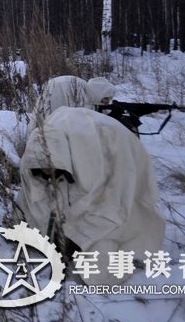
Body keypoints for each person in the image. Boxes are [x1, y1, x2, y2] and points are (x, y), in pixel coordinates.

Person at [19, 106, 165, 285]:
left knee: (99, 267)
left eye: (50, 169)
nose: (46, 174)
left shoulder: (92, 164)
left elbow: (107, 204)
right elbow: (34, 197)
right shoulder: (37, 150)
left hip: (116, 150)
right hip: (78, 142)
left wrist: (75, 238)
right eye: (42, 171)